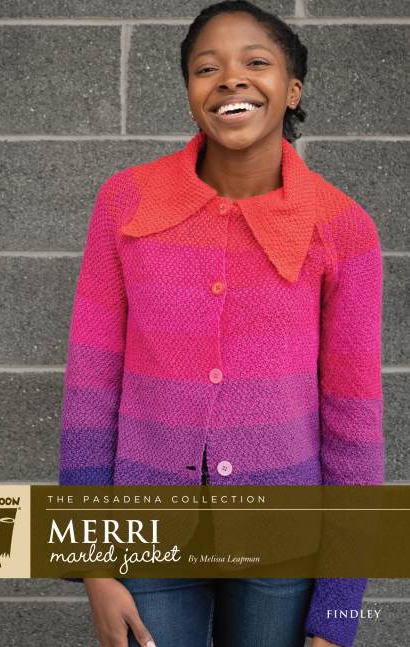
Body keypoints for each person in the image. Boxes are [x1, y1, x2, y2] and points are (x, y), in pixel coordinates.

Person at [59, 2, 385, 646]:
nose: (231, 78)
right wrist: (91, 562)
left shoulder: (343, 228)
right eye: (207, 68)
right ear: (190, 94)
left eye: (256, 62)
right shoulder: (126, 201)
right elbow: (90, 391)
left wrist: (340, 616)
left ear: (293, 90)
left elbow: (354, 425)